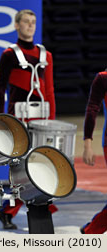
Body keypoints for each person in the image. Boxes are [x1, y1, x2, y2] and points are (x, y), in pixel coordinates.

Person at [0, 9, 57, 229]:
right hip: (17, 117)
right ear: (17, 25)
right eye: (26, 22)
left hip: (41, 118)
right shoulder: (9, 54)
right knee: (22, 166)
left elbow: (49, 91)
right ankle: (10, 210)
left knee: (42, 163)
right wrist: (1, 120)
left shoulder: (45, 55)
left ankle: (25, 207)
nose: (30, 26)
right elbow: (0, 88)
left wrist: (51, 120)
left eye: (33, 22)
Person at [80, 70, 107, 234]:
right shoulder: (103, 78)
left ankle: (91, 229)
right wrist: (87, 144)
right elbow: (92, 108)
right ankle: (92, 231)